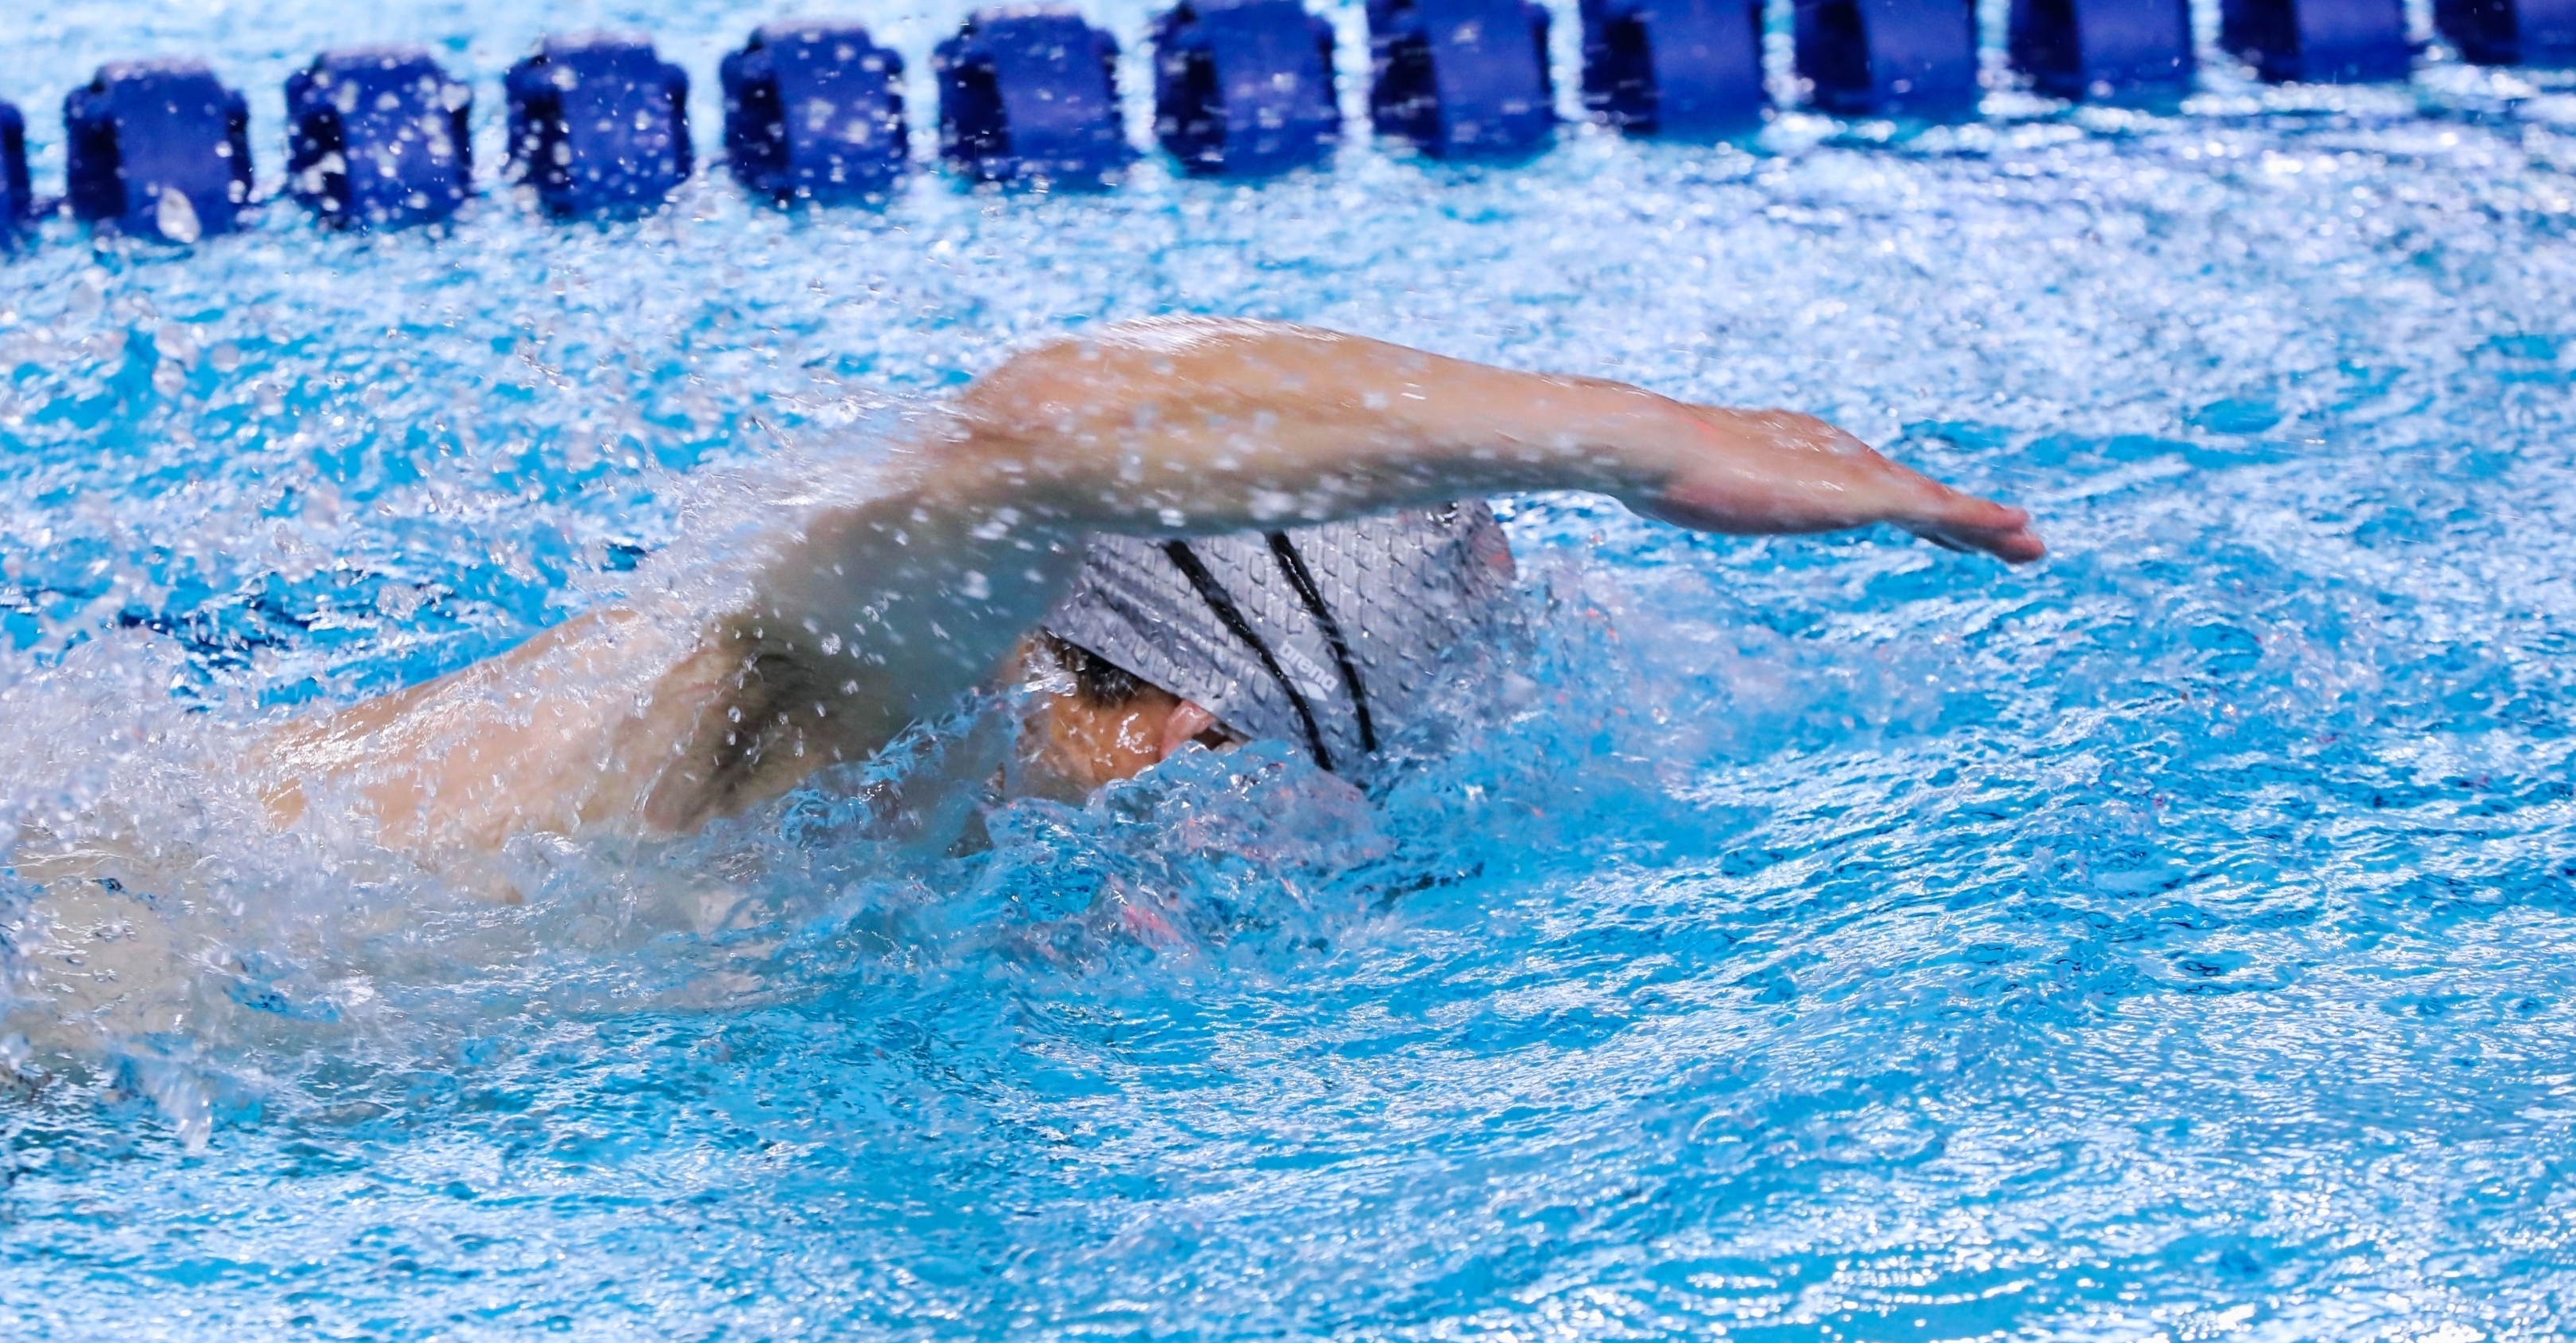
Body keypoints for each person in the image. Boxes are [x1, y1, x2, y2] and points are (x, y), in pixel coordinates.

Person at [255, 319, 2041, 863]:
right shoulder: (844, 742)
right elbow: (1056, 428)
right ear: (1170, 738)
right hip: (2, 1068)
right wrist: (1634, 438)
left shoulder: (775, 755)